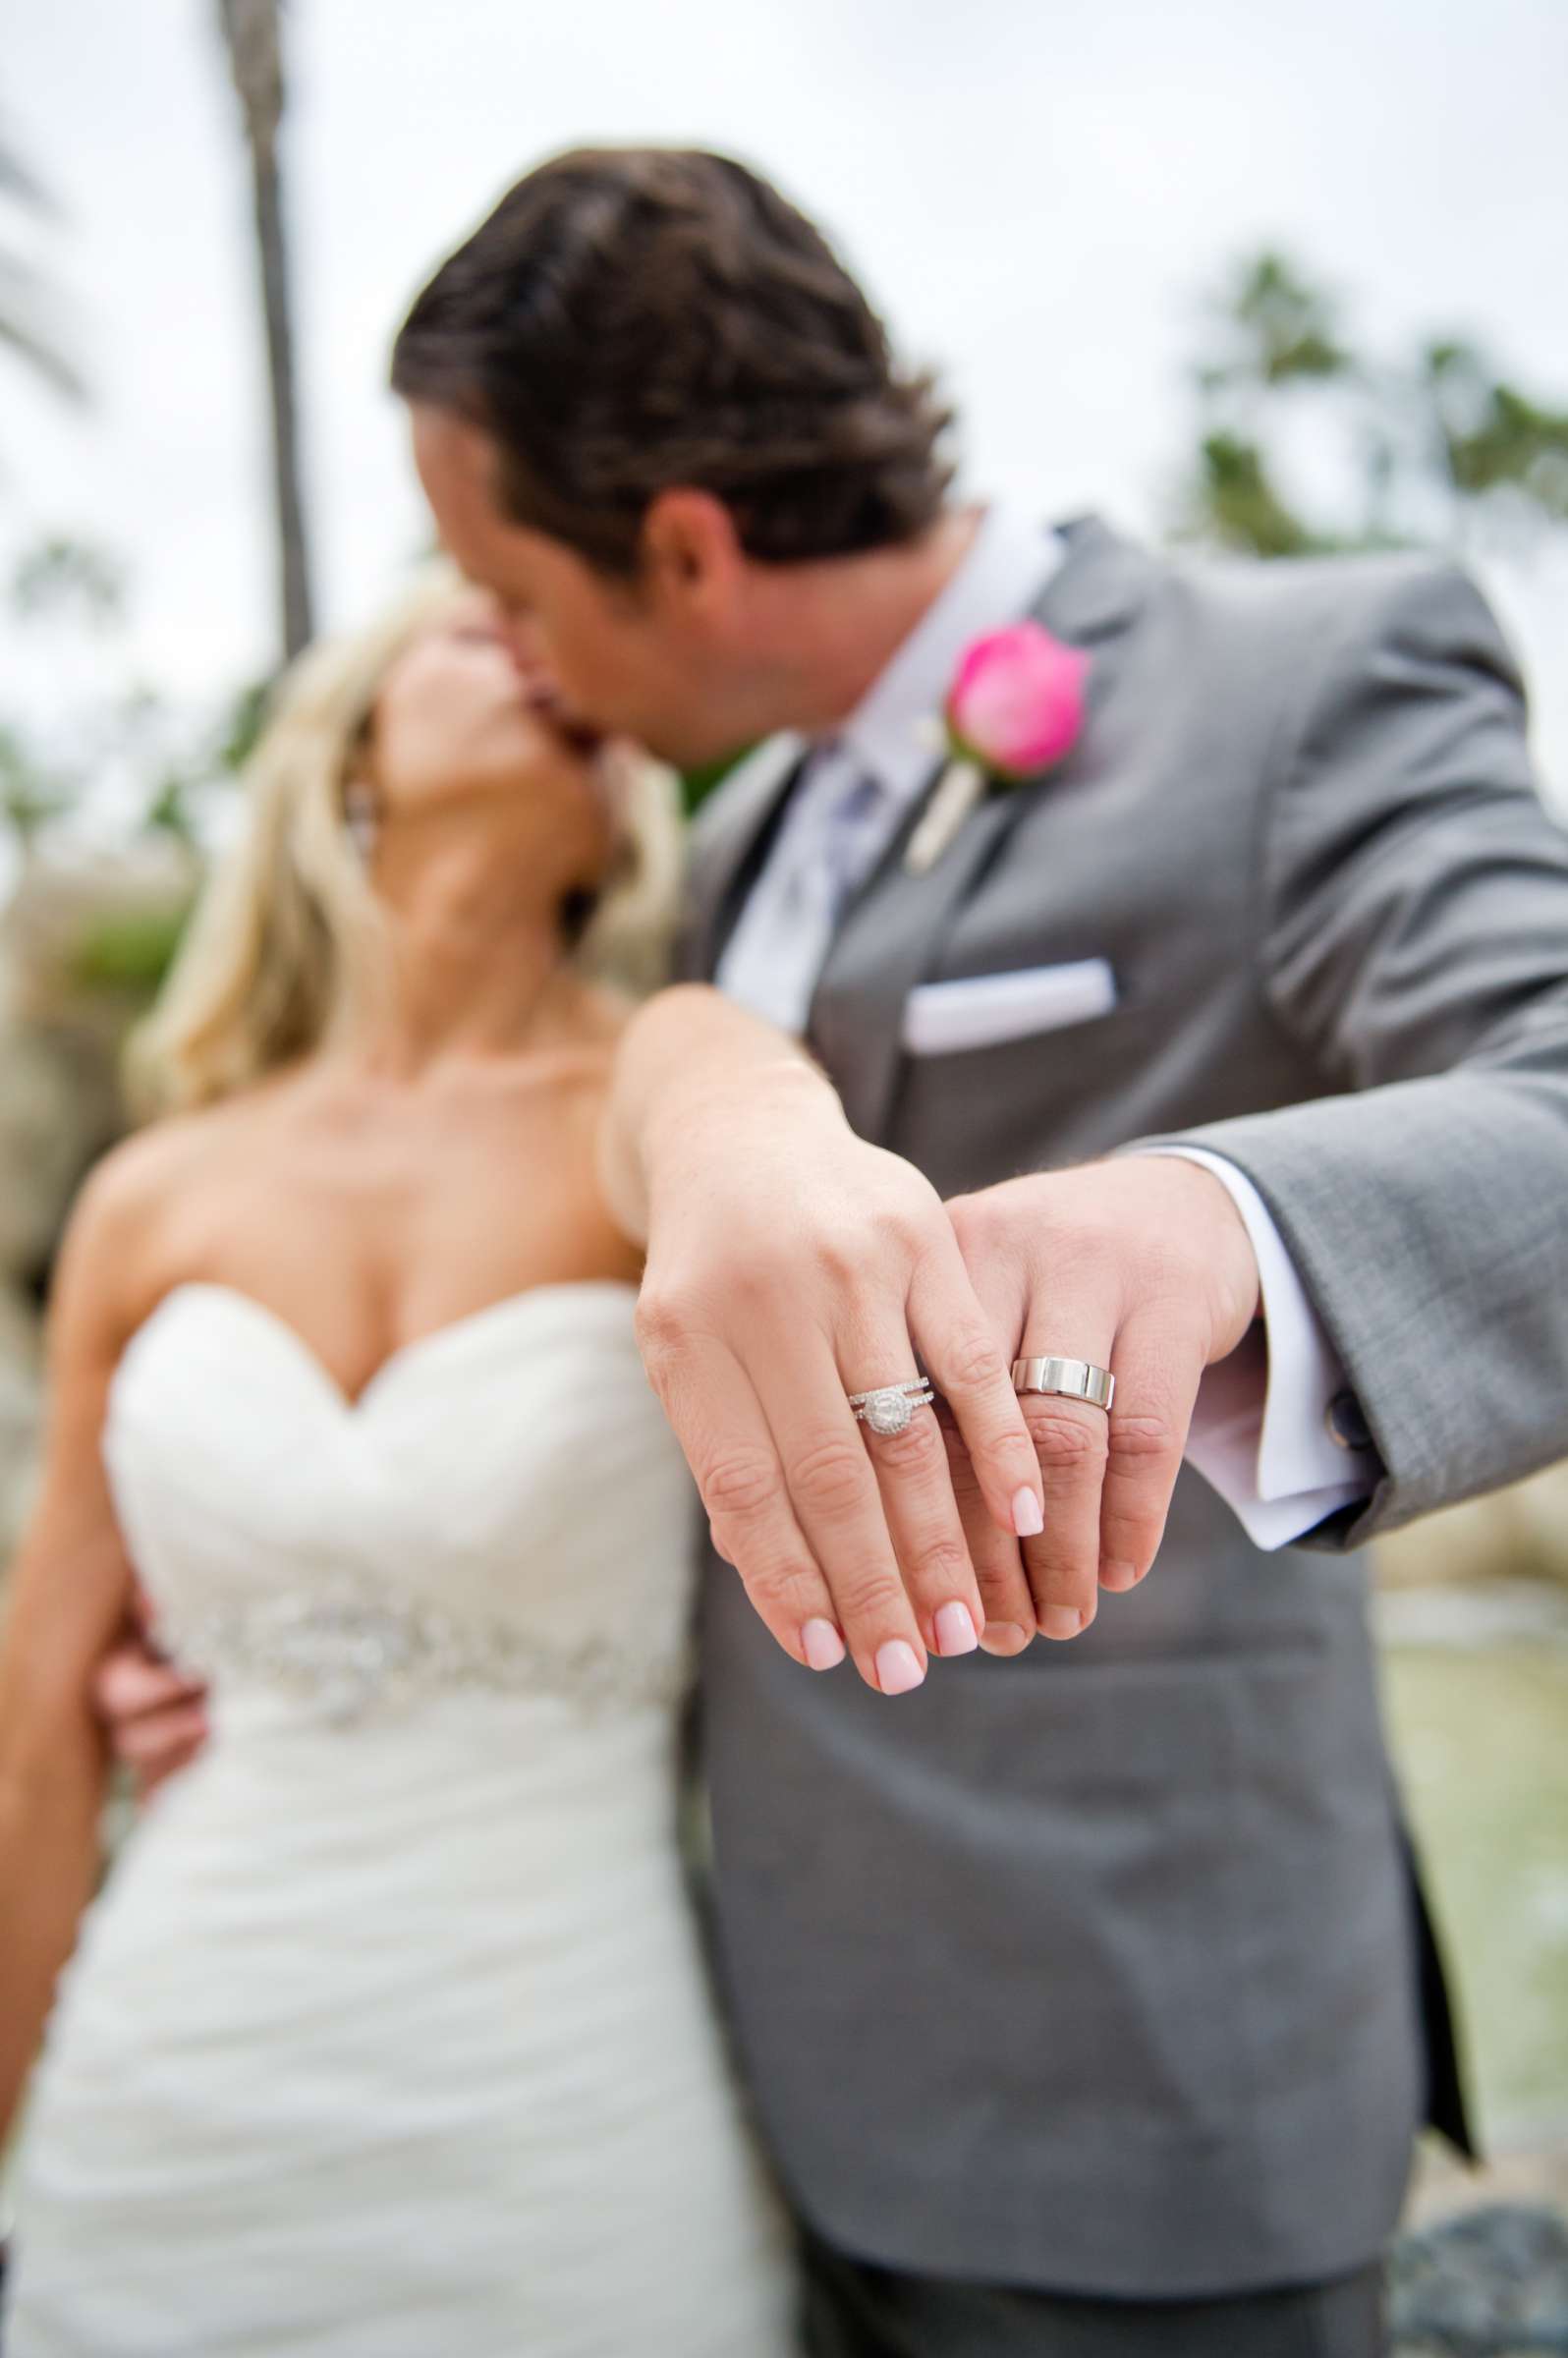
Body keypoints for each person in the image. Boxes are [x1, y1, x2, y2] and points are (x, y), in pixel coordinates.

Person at [105, 147, 1568, 2355]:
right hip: (715, 2066)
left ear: (680, 549)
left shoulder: (1297, 679)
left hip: (1142, 2078)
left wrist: (1217, 1218)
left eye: (507, 585)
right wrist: (312, 1631)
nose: (500, 645)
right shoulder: (732, 846)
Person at [0, 575, 796, 2355]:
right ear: (350, 748)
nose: (540, 646)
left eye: (564, 631)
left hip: (564, 2092)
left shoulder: (657, 1122)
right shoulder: (156, 1192)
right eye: (474, 626)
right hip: (176, 2068)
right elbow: (39, 1734)